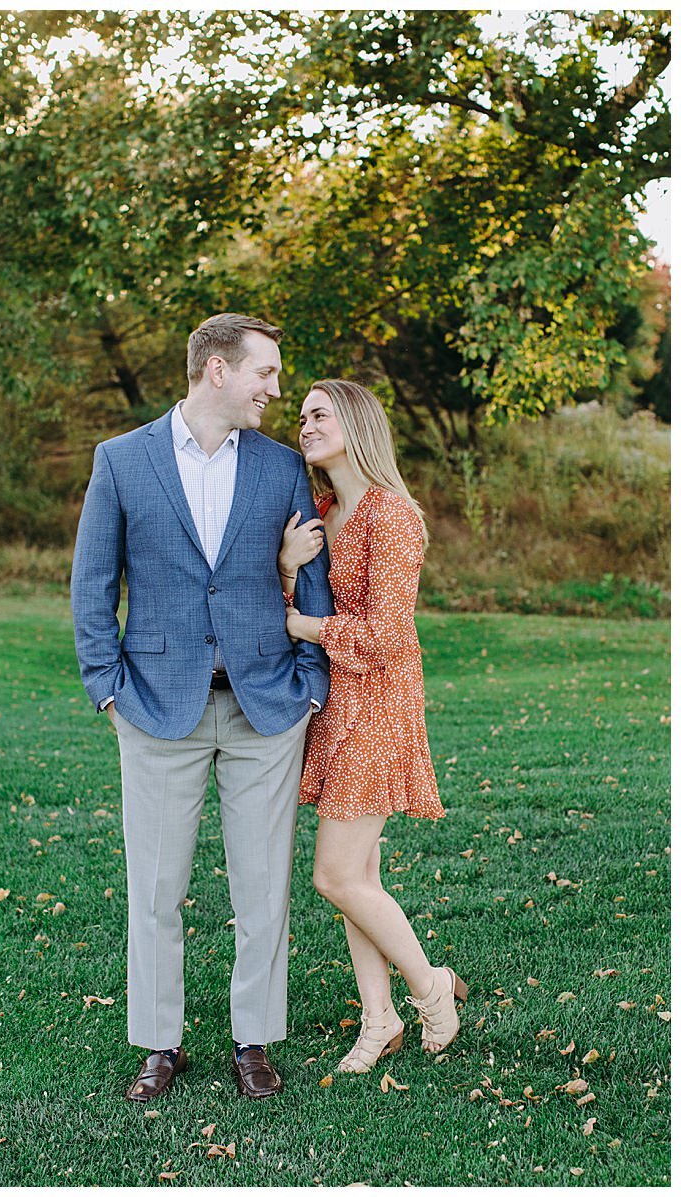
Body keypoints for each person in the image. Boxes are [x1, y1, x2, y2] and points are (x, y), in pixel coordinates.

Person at [72, 313, 333, 1103]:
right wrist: (105, 686)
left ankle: (253, 1039)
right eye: (266, 373)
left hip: (266, 707)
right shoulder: (121, 460)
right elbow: (93, 584)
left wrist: (311, 681)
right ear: (217, 370)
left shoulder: (282, 467)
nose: (276, 390)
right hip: (155, 708)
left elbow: (310, 576)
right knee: (155, 889)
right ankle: (161, 1043)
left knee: (263, 888)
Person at [277, 378, 468, 1074]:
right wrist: (289, 567)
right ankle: (377, 1015)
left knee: (334, 874)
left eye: (318, 412)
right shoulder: (324, 511)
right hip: (338, 702)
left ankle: (431, 988)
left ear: (355, 423)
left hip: (379, 703)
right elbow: (301, 598)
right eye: (300, 416)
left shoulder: (390, 516)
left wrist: (307, 624)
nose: (304, 424)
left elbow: (389, 635)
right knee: (359, 869)